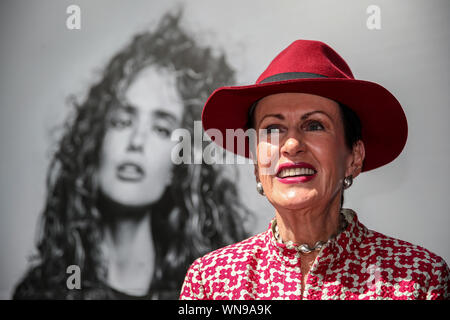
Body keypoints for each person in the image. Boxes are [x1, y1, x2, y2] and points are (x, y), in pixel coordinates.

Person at [180, 39, 450, 300]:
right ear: (255, 164)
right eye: (273, 129)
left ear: (353, 157)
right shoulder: (210, 281)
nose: (292, 145)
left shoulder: (418, 280)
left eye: (315, 125)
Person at [13, 11, 250, 300]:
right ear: (96, 140)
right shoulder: (43, 291)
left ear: (182, 167)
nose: (136, 141)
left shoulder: (213, 292)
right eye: (122, 122)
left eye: (162, 129)